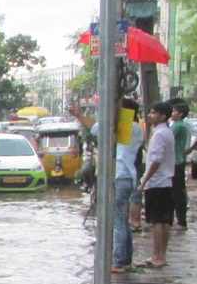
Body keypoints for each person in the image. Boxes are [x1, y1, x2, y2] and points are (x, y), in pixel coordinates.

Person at [71, 99, 143, 272]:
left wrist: (81, 116)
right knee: (122, 221)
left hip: (120, 176)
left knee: (118, 221)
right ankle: (124, 260)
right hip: (123, 177)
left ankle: (119, 261)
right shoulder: (134, 128)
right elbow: (99, 129)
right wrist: (80, 116)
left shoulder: (128, 127)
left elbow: (102, 132)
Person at [137, 101, 176, 269]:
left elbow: (156, 160)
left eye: (153, 113)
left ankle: (157, 255)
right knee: (164, 220)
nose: (150, 115)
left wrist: (144, 180)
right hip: (166, 181)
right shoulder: (166, 132)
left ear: (162, 116)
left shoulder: (160, 134)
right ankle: (162, 255)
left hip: (157, 182)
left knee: (157, 221)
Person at [168, 100, 197, 230]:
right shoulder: (179, 125)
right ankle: (178, 219)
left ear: (180, 114)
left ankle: (180, 220)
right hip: (177, 161)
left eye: (174, 111)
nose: (172, 113)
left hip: (176, 162)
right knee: (177, 191)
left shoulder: (178, 126)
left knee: (176, 192)